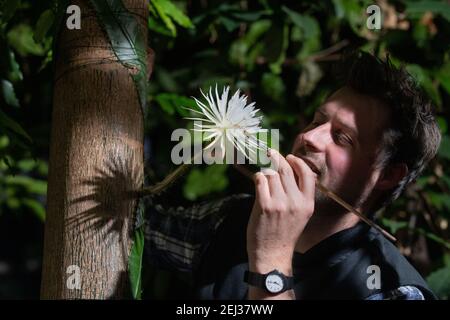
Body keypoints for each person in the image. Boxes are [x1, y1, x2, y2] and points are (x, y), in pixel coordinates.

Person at [144, 51, 441, 300]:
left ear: (387, 175)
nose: (309, 137)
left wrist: (271, 258)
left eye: (342, 138)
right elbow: (135, 227)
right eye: (317, 120)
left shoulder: (393, 289)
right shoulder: (230, 218)